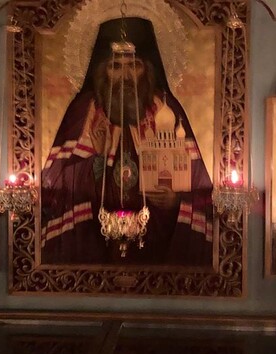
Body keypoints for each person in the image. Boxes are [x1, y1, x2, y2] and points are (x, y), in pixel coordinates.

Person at [41, 17, 213, 265]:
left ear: (147, 69)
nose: (125, 75)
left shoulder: (167, 110)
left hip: (158, 238)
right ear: (103, 71)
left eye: (133, 65)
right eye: (115, 66)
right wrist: (96, 160)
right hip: (94, 236)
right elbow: (58, 186)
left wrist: (176, 201)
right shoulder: (84, 112)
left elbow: (199, 184)